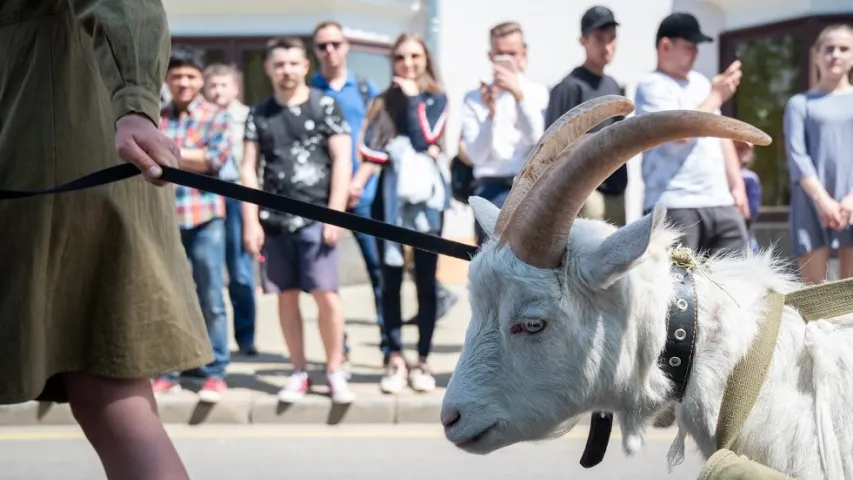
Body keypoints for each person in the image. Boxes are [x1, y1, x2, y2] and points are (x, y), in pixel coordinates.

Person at [0, 1, 213, 478]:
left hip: (61, 162)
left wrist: (137, 103)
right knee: (107, 396)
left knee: (109, 392)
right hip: (56, 158)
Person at [241, 37, 356, 403]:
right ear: (269, 68)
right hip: (274, 221)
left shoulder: (325, 105)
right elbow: (248, 168)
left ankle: (335, 370)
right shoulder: (258, 114)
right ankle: (298, 370)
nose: (286, 70)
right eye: (279, 64)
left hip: (317, 220)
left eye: (293, 63)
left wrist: (334, 214)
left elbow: (342, 159)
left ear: (304, 65)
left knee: (327, 298)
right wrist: (250, 221)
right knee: (285, 298)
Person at [354, 33, 450, 394]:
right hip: (389, 199)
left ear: (425, 59)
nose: (407, 64)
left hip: (426, 202)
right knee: (389, 278)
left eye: (414, 56)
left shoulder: (436, 97)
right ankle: (394, 357)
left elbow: (426, 137)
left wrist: (412, 99)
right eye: (400, 58)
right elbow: (371, 148)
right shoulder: (383, 100)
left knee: (426, 281)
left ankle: (422, 360)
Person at [153, 45, 233, 403]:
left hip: (206, 219)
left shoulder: (216, 116)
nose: (183, 82)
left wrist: (165, 150)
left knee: (211, 297)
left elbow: (214, 159)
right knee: (168, 295)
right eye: (177, 76)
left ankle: (214, 372)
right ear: (167, 79)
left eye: (190, 76)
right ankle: (168, 368)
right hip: (165, 218)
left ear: (201, 79)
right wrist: (187, 154)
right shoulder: (156, 115)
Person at [633, 12, 750, 256]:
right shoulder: (651, 85)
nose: (696, 53)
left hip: (720, 200)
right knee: (678, 288)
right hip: (673, 202)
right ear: (665, 45)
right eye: (689, 46)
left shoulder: (702, 83)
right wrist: (716, 96)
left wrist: (737, 186)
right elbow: (678, 133)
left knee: (737, 280)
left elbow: (721, 134)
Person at [459, 21, 550, 246]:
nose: (506, 60)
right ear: (490, 56)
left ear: (523, 54)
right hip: (489, 189)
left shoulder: (537, 93)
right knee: (492, 265)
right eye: (500, 54)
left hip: (529, 188)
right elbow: (476, 155)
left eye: (512, 53)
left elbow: (537, 140)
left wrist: (519, 97)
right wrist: (490, 115)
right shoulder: (474, 98)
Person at [783, 23, 853, 284]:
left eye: (844, 49)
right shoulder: (799, 104)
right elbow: (797, 155)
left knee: (849, 299)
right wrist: (823, 201)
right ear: (816, 56)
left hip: (852, 203)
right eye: (829, 48)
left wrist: (849, 201)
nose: (835, 54)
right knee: (814, 296)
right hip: (810, 204)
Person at [546, 6, 627, 226]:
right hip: (584, 192)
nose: (608, 46)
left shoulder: (613, 85)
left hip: (615, 188)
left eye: (612, 39)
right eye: (600, 39)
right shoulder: (568, 88)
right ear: (583, 40)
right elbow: (553, 150)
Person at [203, 63, 259, 356]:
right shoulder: (201, 117)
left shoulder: (248, 118)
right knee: (208, 272)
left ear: (235, 89)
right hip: (206, 196)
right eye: (213, 86)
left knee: (240, 272)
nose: (218, 91)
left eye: (224, 85)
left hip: (237, 196)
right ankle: (211, 341)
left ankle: (246, 336)